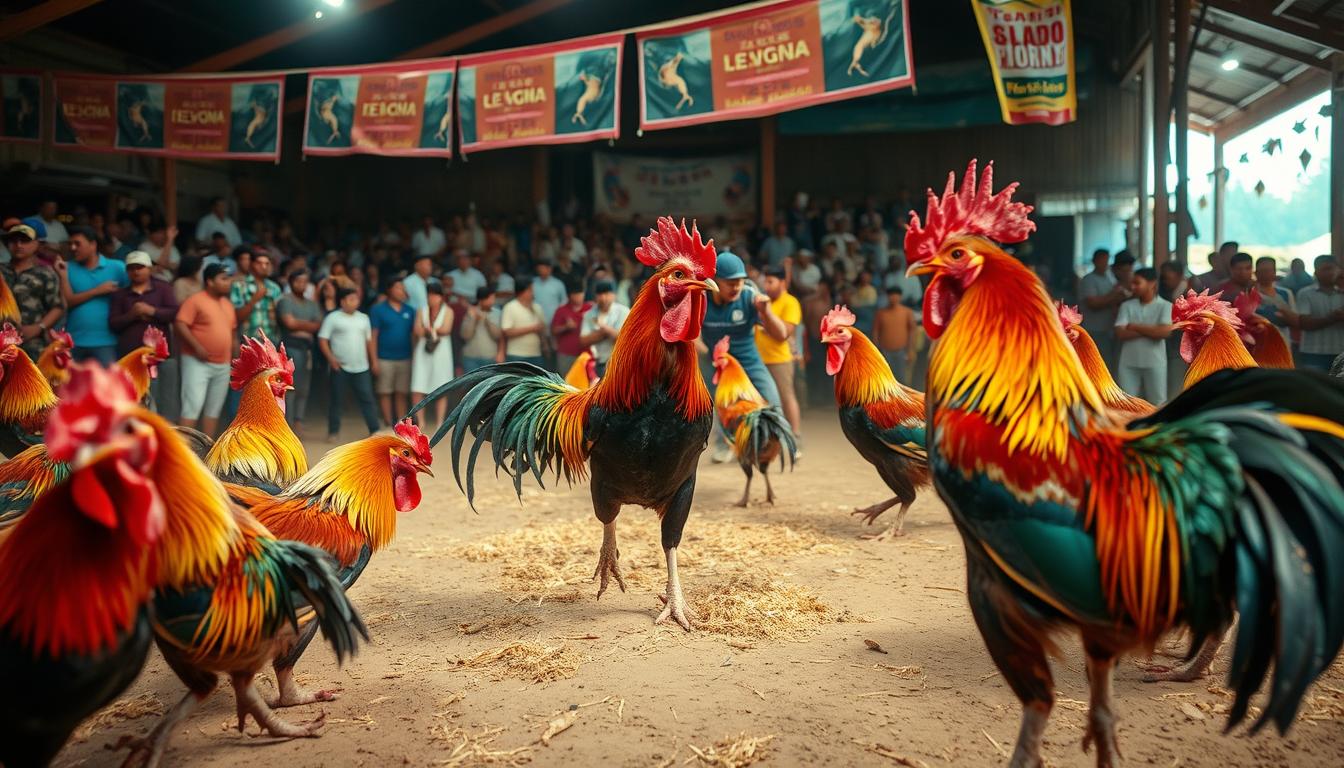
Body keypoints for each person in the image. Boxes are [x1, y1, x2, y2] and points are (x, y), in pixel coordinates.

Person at [700, 251, 788, 462]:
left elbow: (781, 335)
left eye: (740, 281)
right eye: (730, 282)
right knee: (718, 406)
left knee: (772, 397)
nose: (736, 287)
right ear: (715, 281)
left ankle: (777, 442)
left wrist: (766, 312)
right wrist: (715, 360)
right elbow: (693, 339)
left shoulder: (749, 296)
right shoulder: (701, 299)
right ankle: (724, 445)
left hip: (749, 359)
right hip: (716, 361)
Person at [109, 250, 179, 413]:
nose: (136, 271)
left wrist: (152, 311)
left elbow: (174, 312)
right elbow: (113, 323)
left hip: (162, 354)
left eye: (140, 267)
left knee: (166, 396)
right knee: (136, 398)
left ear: (149, 269)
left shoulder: (162, 288)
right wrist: (132, 315)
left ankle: (167, 431)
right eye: (132, 268)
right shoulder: (121, 294)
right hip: (132, 356)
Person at [175, 264, 237, 437]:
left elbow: (232, 331)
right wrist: (196, 347)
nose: (228, 282)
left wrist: (235, 353)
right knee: (192, 406)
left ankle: (208, 449)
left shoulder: (227, 304)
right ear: (210, 281)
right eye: (224, 279)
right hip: (197, 362)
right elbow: (180, 324)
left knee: (214, 409)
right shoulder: (195, 300)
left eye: (229, 278)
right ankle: (184, 450)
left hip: (223, 363)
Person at [56, 225, 127, 364]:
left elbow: (132, 294)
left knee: (106, 384)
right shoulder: (66, 268)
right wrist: (97, 291)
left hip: (107, 340)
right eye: (70, 244)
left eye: (77, 244)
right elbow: (67, 302)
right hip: (73, 341)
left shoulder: (117, 267)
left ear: (93, 245)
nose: (73, 248)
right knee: (71, 385)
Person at [318, 287, 381, 440]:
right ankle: (333, 432)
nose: (355, 302)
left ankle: (374, 430)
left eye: (356, 299)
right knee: (336, 399)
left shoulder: (363, 318)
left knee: (367, 398)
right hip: (340, 366)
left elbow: (369, 342)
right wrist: (331, 359)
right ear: (342, 301)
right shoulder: (333, 317)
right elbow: (322, 339)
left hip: (362, 366)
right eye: (351, 299)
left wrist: (374, 361)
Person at [0, 222, 63, 360]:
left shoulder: (45, 273)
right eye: (13, 241)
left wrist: (38, 327)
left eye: (25, 240)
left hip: (32, 342)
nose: (19, 245)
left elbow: (57, 307)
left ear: (37, 244)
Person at [753, 265, 803, 440]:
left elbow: (785, 332)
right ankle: (767, 439)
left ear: (782, 282)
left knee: (786, 396)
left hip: (780, 359)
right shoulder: (762, 301)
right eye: (765, 281)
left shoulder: (790, 302)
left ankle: (795, 436)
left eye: (770, 281)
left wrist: (769, 325)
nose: (766, 286)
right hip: (758, 359)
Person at [1114, 267, 1174, 403]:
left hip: (1154, 361)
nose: (1132, 287)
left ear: (1152, 284)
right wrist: (1153, 330)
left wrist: (1134, 326)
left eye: (1137, 283)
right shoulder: (1127, 305)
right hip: (1128, 362)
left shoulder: (1165, 306)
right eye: (1132, 283)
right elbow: (1120, 333)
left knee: (1157, 403)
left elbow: (1165, 332)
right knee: (1126, 403)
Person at [277, 269, 323, 434]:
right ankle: (286, 425)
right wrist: (305, 327)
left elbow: (318, 325)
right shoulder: (285, 301)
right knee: (290, 387)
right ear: (291, 283)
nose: (302, 285)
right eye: (298, 281)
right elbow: (289, 324)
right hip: (291, 349)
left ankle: (298, 422)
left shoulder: (312, 304)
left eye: (305, 282)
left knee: (304, 388)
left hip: (307, 350)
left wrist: (299, 326)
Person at [369, 275, 416, 427]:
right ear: (389, 290)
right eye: (398, 288)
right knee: (385, 391)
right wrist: (374, 360)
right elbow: (373, 336)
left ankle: (401, 423)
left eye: (403, 288)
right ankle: (388, 422)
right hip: (384, 358)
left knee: (401, 392)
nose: (402, 291)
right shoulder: (378, 309)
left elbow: (413, 336)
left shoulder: (410, 310)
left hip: (405, 357)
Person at [410, 281, 456, 430]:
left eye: (434, 295)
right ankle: (421, 421)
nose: (431, 298)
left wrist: (429, 329)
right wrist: (431, 330)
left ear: (440, 297)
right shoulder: (421, 311)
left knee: (441, 385)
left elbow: (446, 329)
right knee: (418, 385)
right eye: (429, 294)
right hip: (423, 351)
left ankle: (439, 422)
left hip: (441, 352)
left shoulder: (448, 311)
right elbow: (417, 330)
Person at [1078, 248, 1129, 370]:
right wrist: (1114, 294)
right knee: (1096, 365)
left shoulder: (1109, 278)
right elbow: (1093, 304)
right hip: (1094, 329)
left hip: (1109, 329)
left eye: (1107, 260)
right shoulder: (1088, 280)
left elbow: (1116, 298)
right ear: (1095, 261)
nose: (1105, 264)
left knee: (1109, 364)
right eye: (1102, 260)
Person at [1295, 255, 1344, 372]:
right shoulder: (1305, 293)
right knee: (1313, 389)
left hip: (1340, 353)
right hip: (1313, 353)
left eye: (1332, 269)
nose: (1330, 273)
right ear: (1316, 272)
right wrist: (1333, 318)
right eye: (1325, 269)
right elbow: (1305, 324)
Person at [579, 280, 629, 378]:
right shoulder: (589, 314)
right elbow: (583, 341)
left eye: (606, 294)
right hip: (596, 364)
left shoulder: (623, 311)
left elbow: (625, 339)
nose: (603, 298)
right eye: (600, 294)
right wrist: (606, 333)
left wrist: (604, 329)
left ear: (614, 295)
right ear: (595, 296)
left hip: (618, 364)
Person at [230, 249, 281, 340]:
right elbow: (236, 317)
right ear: (252, 264)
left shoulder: (275, 288)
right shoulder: (239, 286)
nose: (264, 267)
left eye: (267, 263)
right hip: (247, 341)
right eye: (259, 263)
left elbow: (279, 317)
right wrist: (254, 299)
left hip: (270, 341)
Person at [872, 285, 917, 384]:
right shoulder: (881, 313)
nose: (894, 298)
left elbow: (912, 331)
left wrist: (910, 350)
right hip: (885, 351)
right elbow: (875, 331)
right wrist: (875, 351)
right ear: (888, 297)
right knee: (885, 380)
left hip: (902, 351)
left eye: (896, 295)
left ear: (900, 297)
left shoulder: (907, 312)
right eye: (891, 295)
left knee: (902, 379)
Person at [501, 277, 547, 366]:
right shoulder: (510, 307)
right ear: (521, 292)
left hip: (536, 354)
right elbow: (507, 332)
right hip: (517, 355)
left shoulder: (537, 307)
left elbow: (542, 328)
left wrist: (544, 345)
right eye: (530, 290)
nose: (533, 293)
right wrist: (532, 328)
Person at [1251, 256, 1297, 343]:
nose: (1265, 274)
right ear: (1256, 273)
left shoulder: (1286, 293)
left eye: (1268, 270)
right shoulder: (1249, 294)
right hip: (1258, 345)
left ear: (1275, 272)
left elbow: (1295, 321)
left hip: (1283, 343)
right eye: (1262, 271)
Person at [460, 286, 502, 373]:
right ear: (481, 300)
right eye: (491, 298)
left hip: (490, 357)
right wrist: (473, 319)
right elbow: (465, 336)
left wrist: (487, 321)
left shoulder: (497, 313)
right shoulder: (470, 312)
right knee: (471, 385)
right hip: (470, 357)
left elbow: (498, 335)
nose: (493, 301)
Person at [551, 287, 591, 375]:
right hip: (566, 354)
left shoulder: (590, 308)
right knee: (566, 383)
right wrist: (566, 327)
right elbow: (553, 330)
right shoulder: (561, 310)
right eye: (576, 294)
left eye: (581, 293)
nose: (579, 297)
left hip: (585, 354)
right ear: (570, 296)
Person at [531, 258, 568, 326]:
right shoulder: (532, 283)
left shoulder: (558, 284)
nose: (540, 270)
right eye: (539, 269)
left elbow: (564, 302)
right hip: (535, 320)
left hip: (553, 320)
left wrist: (560, 317)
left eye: (542, 268)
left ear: (549, 269)